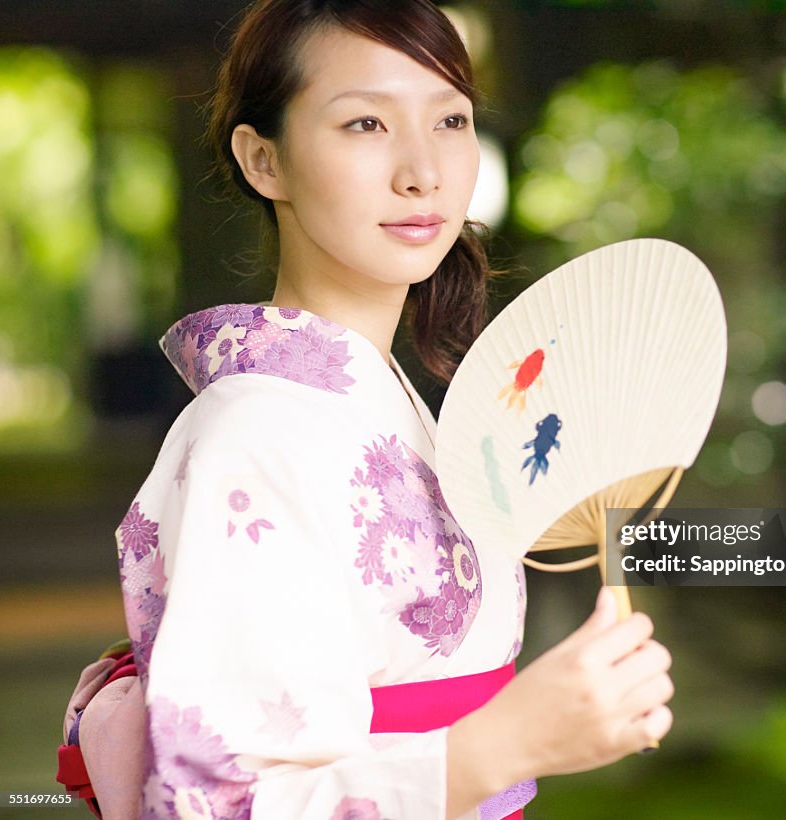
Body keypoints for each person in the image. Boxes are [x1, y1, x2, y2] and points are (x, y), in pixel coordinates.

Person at [58, 2, 674, 818]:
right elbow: (224, 802)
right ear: (263, 160)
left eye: (450, 119)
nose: (423, 169)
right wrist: (505, 743)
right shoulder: (253, 435)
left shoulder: (384, 398)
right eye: (364, 125)